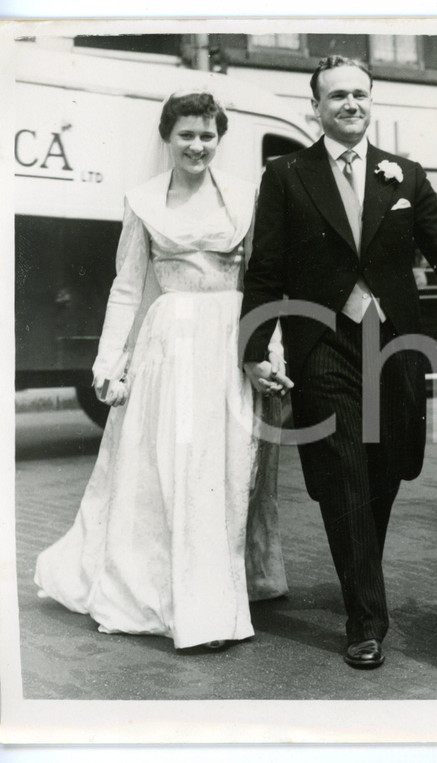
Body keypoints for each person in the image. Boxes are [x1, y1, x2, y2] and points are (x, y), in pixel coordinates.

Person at [239, 56, 437, 670]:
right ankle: (366, 618)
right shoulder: (286, 175)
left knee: (382, 473)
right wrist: (255, 349)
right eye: (336, 95)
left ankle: (360, 574)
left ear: (372, 101)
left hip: (393, 352)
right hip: (323, 347)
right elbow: (265, 269)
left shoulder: (406, 178)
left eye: (360, 94)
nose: (350, 104)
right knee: (343, 476)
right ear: (315, 106)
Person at [34, 91, 288, 650]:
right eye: (186, 135)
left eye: (207, 135)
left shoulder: (246, 199)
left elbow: (263, 283)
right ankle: (175, 600)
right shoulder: (143, 199)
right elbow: (126, 289)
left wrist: (270, 352)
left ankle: (219, 589)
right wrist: (109, 359)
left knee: (224, 468)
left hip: (229, 341)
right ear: (167, 138)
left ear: (219, 140)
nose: (197, 146)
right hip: (168, 345)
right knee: (171, 465)